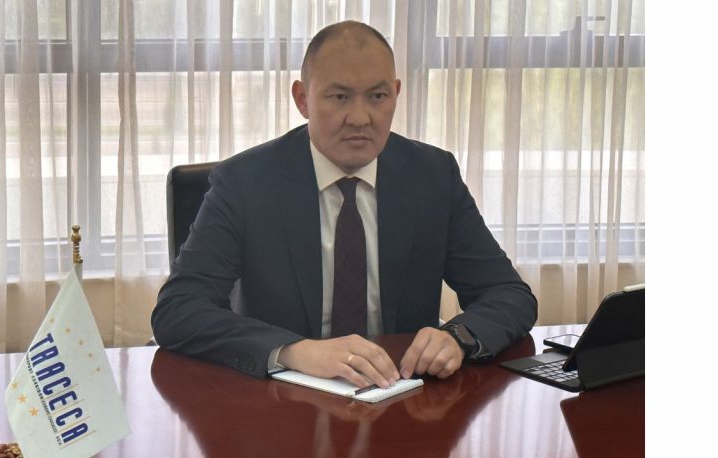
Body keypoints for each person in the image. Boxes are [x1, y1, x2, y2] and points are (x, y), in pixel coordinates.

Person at [151, 20, 537, 389]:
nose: (360, 117)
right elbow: (178, 310)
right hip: (280, 407)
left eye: (378, 96)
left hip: (401, 399)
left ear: (396, 94)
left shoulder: (432, 176)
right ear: (303, 99)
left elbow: (509, 294)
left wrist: (458, 337)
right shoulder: (245, 183)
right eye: (339, 97)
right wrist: (292, 351)